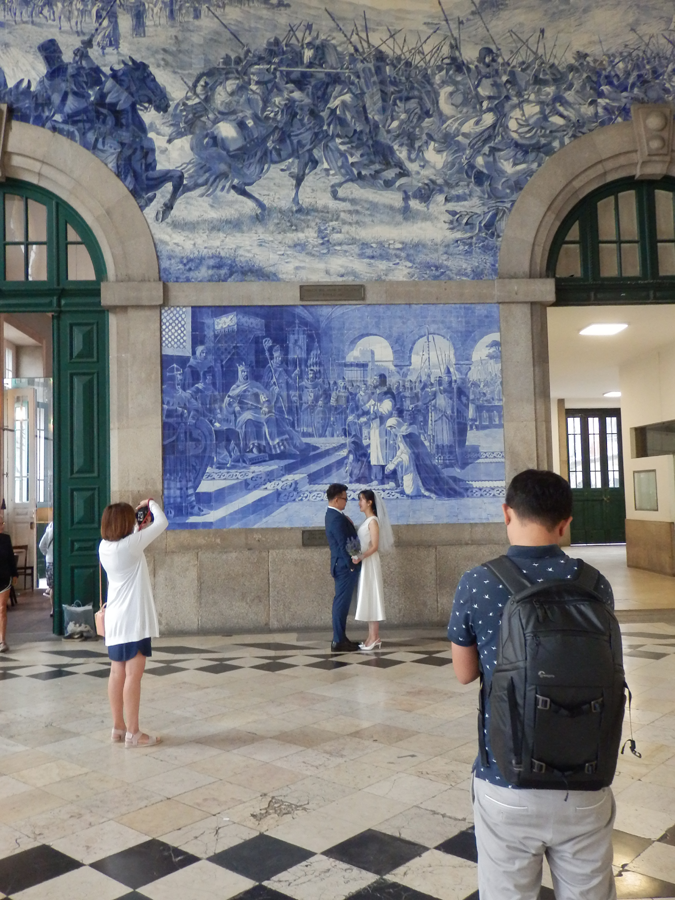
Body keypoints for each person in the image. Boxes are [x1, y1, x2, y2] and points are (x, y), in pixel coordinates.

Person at [449, 470, 616, 900]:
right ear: (566, 523)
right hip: (585, 781)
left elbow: (464, 673)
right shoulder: (596, 585)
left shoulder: (478, 582)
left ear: (507, 513)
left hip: (506, 779)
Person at [99, 498, 168, 747]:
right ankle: (134, 733)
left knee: (116, 672)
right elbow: (162, 522)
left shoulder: (104, 547)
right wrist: (151, 503)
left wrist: (138, 525)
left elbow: (129, 540)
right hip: (134, 619)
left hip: (116, 620)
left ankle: (118, 727)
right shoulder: (131, 546)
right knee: (133, 676)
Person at [351, 489, 394, 651]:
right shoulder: (367, 521)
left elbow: (374, 546)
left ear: (370, 502)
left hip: (370, 562)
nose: (359, 503)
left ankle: (375, 636)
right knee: (368, 596)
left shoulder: (373, 521)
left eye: (361, 500)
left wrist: (361, 556)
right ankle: (371, 636)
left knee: (372, 595)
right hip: (366, 561)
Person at [324, 483, 361, 652]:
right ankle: (338, 640)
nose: (346, 502)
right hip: (343, 567)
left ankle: (341, 638)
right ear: (337, 499)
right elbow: (341, 544)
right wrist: (351, 564)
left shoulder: (334, 515)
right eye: (345, 499)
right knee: (340, 603)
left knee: (342, 603)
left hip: (341, 565)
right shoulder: (336, 517)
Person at [0, 519, 17, 652]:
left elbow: (11, 557)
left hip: (5, 577)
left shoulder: (6, 539)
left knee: (2, 609)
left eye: (2, 523)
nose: (2, 525)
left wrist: (15, 574)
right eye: (0, 523)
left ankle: (2, 640)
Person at [39, 521, 55, 617]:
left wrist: (47, 553)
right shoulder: (64, 528)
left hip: (50, 561)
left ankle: (53, 608)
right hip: (62, 560)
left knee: (52, 587)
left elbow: (41, 545)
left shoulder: (49, 529)